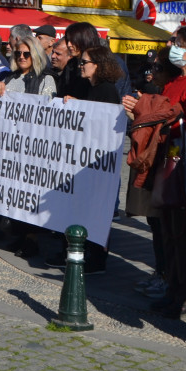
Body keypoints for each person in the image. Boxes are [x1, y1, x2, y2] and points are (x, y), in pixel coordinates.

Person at [125, 25, 186, 317]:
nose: (173, 45)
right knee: (171, 234)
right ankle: (175, 289)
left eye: (179, 42)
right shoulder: (178, 80)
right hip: (169, 164)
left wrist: (153, 117)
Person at [57, 45, 127, 273]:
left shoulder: (106, 91)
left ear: (98, 65)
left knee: (98, 211)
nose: (80, 66)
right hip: (87, 162)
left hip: (98, 163)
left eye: (84, 62)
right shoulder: (91, 88)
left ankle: (97, 259)